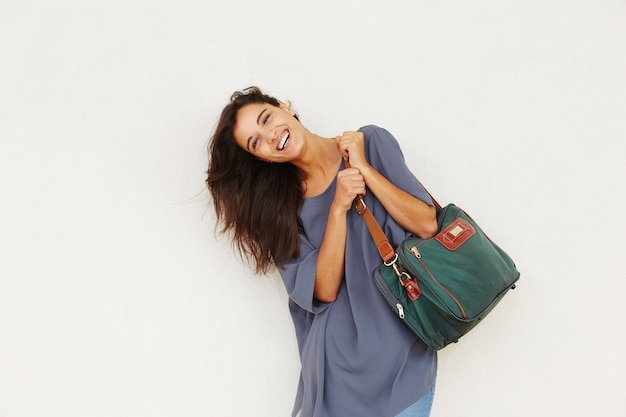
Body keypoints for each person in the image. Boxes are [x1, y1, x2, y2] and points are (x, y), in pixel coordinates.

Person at [206, 87, 439, 417]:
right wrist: (337, 209)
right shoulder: (278, 213)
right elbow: (324, 289)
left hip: (405, 357)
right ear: (259, 158)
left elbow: (428, 225)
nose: (270, 136)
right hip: (337, 374)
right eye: (255, 142)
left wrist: (364, 170)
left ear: (284, 106)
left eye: (266, 118)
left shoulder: (369, 143)